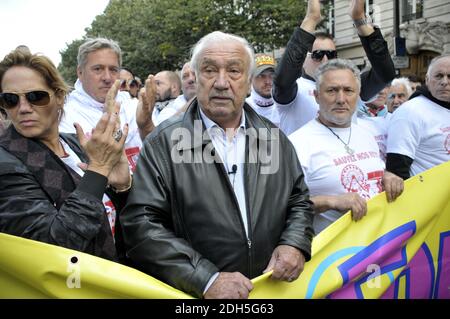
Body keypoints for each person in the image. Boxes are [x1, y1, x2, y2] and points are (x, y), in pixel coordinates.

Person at [120, 31, 315, 299]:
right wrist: (205, 278)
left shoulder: (272, 139)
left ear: (248, 83)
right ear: (196, 79)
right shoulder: (163, 143)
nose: (222, 83)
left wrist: (294, 243)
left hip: (270, 292)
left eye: (234, 71)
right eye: (210, 70)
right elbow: (141, 224)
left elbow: (298, 199)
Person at [0, 48, 131, 261]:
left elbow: (117, 217)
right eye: (10, 99)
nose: (23, 108)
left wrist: (122, 188)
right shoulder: (6, 164)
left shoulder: (76, 144)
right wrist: (98, 171)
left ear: (59, 97)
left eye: (36, 96)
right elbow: (54, 248)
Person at [289, 59, 403, 234]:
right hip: (335, 256)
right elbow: (280, 207)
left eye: (348, 90)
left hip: (379, 248)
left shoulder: (366, 134)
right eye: (332, 91)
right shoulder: (296, 144)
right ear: (317, 96)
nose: (341, 99)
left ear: (357, 96)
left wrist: (387, 176)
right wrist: (329, 202)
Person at [273, 0, 395, 135]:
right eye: (317, 55)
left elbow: (385, 74)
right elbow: (282, 80)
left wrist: (359, 20)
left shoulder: (349, 85)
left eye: (331, 54)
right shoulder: (295, 89)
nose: (325, 60)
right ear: (303, 59)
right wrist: (311, 19)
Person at [58, 38, 143, 171]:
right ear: (80, 73)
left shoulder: (135, 107)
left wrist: (147, 125)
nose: (107, 78)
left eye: (113, 70)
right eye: (98, 69)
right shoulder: (64, 116)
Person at [386, 54, 450, 180]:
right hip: (431, 196)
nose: (444, 82)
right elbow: (397, 171)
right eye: (439, 76)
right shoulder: (410, 111)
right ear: (427, 80)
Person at [245, 53, 280, 126]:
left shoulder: (287, 106)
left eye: (272, 75)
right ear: (250, 78)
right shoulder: (243, 110)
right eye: (261, 76)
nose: (268, 81)